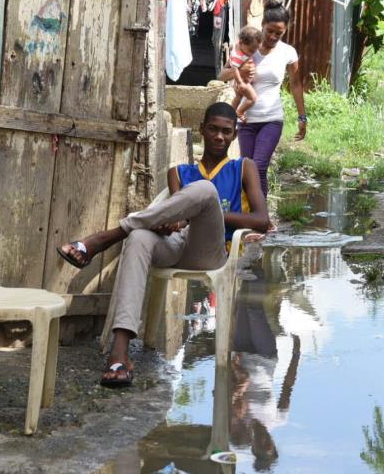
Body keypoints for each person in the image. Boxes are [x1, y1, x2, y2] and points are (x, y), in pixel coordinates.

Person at [56, 102, 270, 387]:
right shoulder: (179, 172)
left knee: (205, 191)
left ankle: (105, 238)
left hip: (212, 251)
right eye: (213, 129)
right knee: (139, 237)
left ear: (234, 136)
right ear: (202, 130)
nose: (219, 136)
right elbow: (174, 217)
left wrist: (204, 212)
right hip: (176, 246)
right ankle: (119, 353)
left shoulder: (243, 167)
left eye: (226, 132)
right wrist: (171, 221)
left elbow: (262, 219)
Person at [218, 0, 307, 198]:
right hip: (246, 121)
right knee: (246, 170)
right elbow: (222, 75)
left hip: (272, 119)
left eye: (279, 33)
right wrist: (238, 70)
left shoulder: (288, 52)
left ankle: (261, 217)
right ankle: (248, 216)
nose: (274, 36)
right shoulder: (247, 47)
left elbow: (296, 85)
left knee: (258, 168)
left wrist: (302, 117)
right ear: (263, 26)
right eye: (270, 31)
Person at [229, 26, 263, 122]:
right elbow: (234, 69)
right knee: (252, 98)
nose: (252, 53)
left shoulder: (240, 49)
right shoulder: (239, 56)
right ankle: (240, 111)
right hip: (244, 82)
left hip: (243, 81)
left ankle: (230, 113)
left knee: (238, 97)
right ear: (241, 43)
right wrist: (240, 82)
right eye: (251, 50)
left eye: (255, 50)